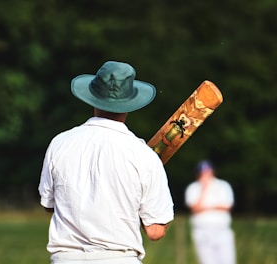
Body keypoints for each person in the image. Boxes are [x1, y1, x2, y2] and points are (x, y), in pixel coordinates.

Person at [38, 61, 174, 264]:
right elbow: (155, 231)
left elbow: (49, 204)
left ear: (92, 98)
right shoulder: (144, 156)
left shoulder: (59, 143)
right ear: (130, 103)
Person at [184, 160, 236, 264]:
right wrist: (204, 189)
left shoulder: (223, 185)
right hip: (202, 231)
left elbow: (227, 206)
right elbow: (195, 208)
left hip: (221, 230)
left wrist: (207, 207)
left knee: (227, 260)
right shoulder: (193, 188)